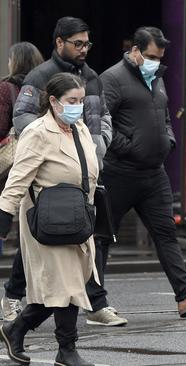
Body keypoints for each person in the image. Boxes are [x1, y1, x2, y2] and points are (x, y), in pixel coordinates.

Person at [2, 16, 120, 327]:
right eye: (77, 43)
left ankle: (87, 308)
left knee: (75, 262)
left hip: (83, 182)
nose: (84, 49)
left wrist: (98, 146)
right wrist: (53, 141)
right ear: (59, 43)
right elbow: (22, 118)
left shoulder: (92, 78)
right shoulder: (40, 77)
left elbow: (103, 116)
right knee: (59, 267)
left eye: (87, 44)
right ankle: (61, 337)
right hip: (50, 188)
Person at [100, 26, 186, 319]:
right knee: (103, 237)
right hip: (120, 172)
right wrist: (128, 146)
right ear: (134, 51)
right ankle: (96, 303)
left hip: (154, 173)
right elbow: (102, 123)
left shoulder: (155, 77)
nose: (156, 61)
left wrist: (168, 139)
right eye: (151, 56)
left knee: (166, 233)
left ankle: (185, 296)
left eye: (160, 56)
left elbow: (165, 114)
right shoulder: (112, 78)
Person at [0, 72, 98, 366]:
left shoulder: (79, 128)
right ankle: (66, 350)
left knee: (63, 286)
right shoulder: (38, 132)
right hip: (48, 222)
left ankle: (15, 330)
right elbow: (16, 181)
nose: (77, 106)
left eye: (81, 100)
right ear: (53, 101)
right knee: (67, 287)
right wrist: (3, 221)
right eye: (71, 101)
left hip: (78, 219)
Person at [0, 42, 43, 140]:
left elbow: (1, 127)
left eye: (9, 60)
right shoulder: (47, 86)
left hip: (16, 149)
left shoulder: (6, 88)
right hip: (42, 144)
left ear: (15, 63)